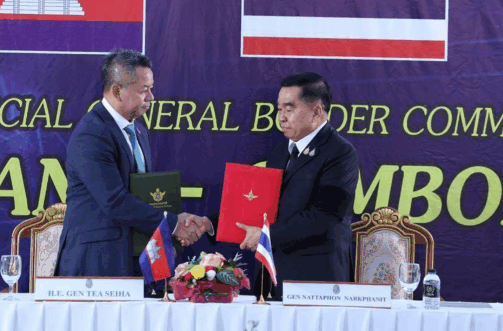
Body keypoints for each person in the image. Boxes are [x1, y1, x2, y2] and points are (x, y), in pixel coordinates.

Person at [55, 49, 212, 277]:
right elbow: (114, 200)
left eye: (151, 89)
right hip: (95, 262)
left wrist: (169, 230)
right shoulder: (91, 134)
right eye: (144, 91)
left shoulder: (138, 130)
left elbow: (142, 195)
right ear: (118, 91)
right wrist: (173, 224)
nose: (151, 98)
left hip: (132, 257)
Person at [236, 72, 359, 298]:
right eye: (279, 109)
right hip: (273, 277)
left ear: (316, 111)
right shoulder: (280, 152)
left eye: (289, 109)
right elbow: (260, 205)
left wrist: (265, 236)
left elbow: (325, 216)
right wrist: (209, 224)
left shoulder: (341, 153)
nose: (281, 117)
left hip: (317, 280)